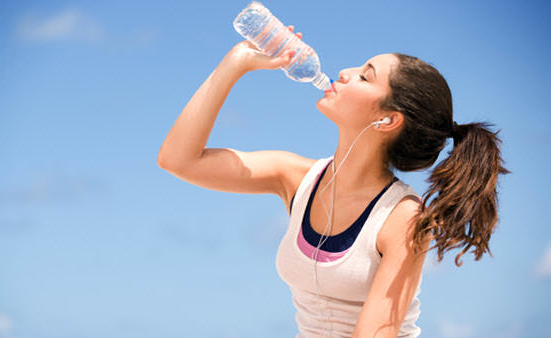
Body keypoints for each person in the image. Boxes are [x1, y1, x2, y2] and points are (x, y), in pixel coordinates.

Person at [156, 25, 508, 338]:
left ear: (387, 119)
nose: (345, 72)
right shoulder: (294, 178)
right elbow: (178, 160)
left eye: (365, 76)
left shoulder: (401, 218)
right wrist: (235, 63)